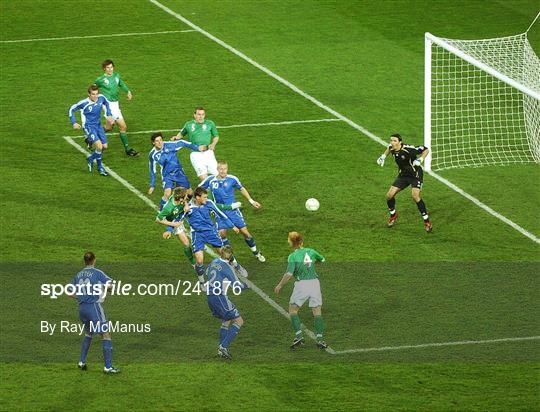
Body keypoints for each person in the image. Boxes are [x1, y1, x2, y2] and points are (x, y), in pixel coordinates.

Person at [157, 187, 242, 284]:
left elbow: (220, 214)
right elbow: (177, 220)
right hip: (197, 235)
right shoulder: (188, 208)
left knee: (224, 253)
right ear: (197, 197)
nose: (206, 199)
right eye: (204, 197)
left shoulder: (209, 203)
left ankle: (236, 265)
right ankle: (202, 282)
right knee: (199, 260)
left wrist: (232, 225)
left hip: (211, 232)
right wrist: (169, 230)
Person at [199, 161, 265, 262]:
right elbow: (199, 189)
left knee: (246, 233)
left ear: (227, 169)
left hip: (233, 211)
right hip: (219, 212)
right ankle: (231, 259)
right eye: (221, 169)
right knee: (222, 234)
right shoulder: (210, 180)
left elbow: (241, 188)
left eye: (225, 169)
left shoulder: (232, 179)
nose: (223, 171)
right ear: (217, 169)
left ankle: (256, 252)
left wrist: (251, 201)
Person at [274, 232, 327, 350]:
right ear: (301, 242)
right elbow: (322, 260)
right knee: (317, 311)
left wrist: (280, 285)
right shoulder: (311, 251)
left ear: (291, 243)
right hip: (314, 283)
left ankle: (299, 337)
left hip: (302, 285)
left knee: (293, 310)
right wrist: (313, 263)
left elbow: (289, 274)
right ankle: (320, 340)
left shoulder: (292, 257)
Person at [68, 252, 120, 374]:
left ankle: (81, 362)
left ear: (84, 261)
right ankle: (108, 367)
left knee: (88, 333)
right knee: (106, 335)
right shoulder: (97, 273)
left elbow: (69, 292)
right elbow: (110, 286)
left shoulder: (78, 275)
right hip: (94, 307)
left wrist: (81, 297)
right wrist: (107, 289)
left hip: (82, 309)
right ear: (94, 260)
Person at [376, 133, 433, 232]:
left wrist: (421, 159)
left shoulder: (408, 150)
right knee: (389, 195)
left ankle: (427, 221)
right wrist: (383, 156)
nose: (392, 143)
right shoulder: (392, 147)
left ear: (400, 142)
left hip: (415, 175)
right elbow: (389, 148)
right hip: (403, 175)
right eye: (391, 140)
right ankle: (393, 215)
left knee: (415, 196)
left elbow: (426, 149)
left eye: (394, 141)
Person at [206, 245, 249, 360]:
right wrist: (246, 285)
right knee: (239, 321)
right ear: (231, 256)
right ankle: (223, 347)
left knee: (226, 320)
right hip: (220, 297)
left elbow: (207, 273)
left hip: (210, 297)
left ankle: (221, 350)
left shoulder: (213, 262)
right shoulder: (227, 267)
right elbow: (238, 287)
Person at [148, 131, 205, 210]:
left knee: (190, 193)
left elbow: (182, 142)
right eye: (157, 141)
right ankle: (161, 210)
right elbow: (152, 169)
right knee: (167, 194)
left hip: (178, 173)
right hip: (167, 175)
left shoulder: (170, 145)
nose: (159, 142)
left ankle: (194, 206)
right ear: (153, 142)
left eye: (160, 140)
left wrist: (197, 148)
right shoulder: (152, 154)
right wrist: (152, 185)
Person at [94, 59, 139, 157]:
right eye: (108, 68)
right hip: (107, 104)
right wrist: (94, 99)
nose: (110, 69)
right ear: (104, 69)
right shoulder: (100, 79)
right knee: (121, 126)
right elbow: (93, 88)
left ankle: (92, 136)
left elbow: (121, 83)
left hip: (115, 104)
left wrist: (128, 91)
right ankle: (127, 149)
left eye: (111, 67)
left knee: (110, 128)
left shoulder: (116, 76)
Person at [69, 84, 113, 177]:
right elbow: (72, 109)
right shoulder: (84, 103)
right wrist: (74, 122)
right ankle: (100, 168)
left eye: (96, 94)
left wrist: (108, 114)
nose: (95, 96)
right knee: (99, 147)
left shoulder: (101, 98)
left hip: (98, 125)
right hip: (88, 126)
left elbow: (107, 103)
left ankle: (90, 158)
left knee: (105, 146)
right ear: (89, 94)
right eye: (93, 94)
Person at [173, 107, 219, 181]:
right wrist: (175, 138)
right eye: (199, 114)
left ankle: (216, 191)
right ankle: (208, 191)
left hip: (208, 153)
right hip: (196, 154)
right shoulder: (188, 124)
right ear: (194, 115)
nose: (201, 116)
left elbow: (216, 136)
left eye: (202, 114)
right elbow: (181, 134)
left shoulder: (210, 123)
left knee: (218, 175)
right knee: (204, 179)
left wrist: (213, 144)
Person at [155, 187, 196, 268]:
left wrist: (186, 204)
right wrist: (172, 226)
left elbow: (186, 199)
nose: (186, 197)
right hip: (173, 221)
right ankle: (194, 263)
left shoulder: (179, 197)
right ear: (180, 199)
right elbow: (158, 220)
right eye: (185, 196)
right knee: (186, 243)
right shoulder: (168, 208)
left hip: (180, 214)